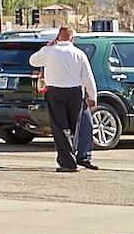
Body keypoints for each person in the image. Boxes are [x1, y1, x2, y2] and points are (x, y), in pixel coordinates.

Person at [30, 27, 99, 172]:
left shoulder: (50, 51)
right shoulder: (79, 54)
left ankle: (67, 162)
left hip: (55, 92)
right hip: (75, 92)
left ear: (58, 37)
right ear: (72, 39)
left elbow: (33, 61)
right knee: (73, 127)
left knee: (60, 127)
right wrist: (92, 97)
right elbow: (88, 77)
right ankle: (73, 157)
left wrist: (46, 47)